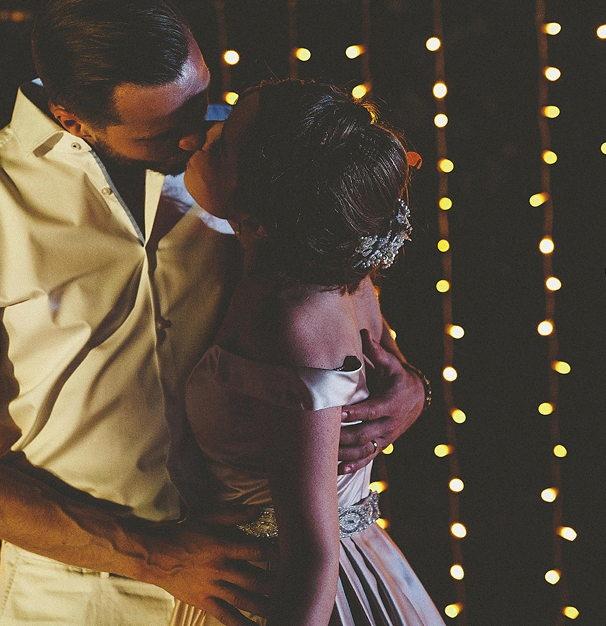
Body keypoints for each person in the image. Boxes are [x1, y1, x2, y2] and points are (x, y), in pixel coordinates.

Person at [0, 1, 427, 624]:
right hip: (83, 603)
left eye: (200, 104)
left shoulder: (251, 157)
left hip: (266, 590)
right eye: (161, 135)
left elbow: (337, 289)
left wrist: (407, 389)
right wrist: (154, 556)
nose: (195, 138)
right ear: (73, 120)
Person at [170, 79, 444, 625]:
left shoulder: (287, 317)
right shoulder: (347, 270)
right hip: (351, 557)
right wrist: (415, 386)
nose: (196, 142)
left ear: (256, 213)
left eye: (220, 147)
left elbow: (312, 557)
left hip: (284, 592)